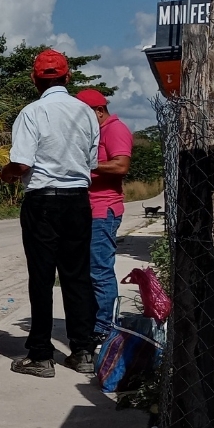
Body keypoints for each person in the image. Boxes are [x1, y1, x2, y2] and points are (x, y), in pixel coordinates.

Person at [0, 49, 101, 378]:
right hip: (77, 201)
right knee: (77, 275)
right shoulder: (86, 112)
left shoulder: (31, 113)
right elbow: (92, 164)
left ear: (34, 79)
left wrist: (7, 173)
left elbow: (23, 163)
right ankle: (83, 350)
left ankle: (41, 354)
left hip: (42, 200)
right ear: (68, 77)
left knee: (42, 278)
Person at [75, 89, 133, 339]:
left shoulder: (115, 129)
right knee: (86, 269)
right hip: (87, 209)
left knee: (99, 269)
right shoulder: (95, 132)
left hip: (103, 209)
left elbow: (121, 165)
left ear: (99, 111)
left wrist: (85, 165)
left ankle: (103, 327)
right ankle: (94, 320)